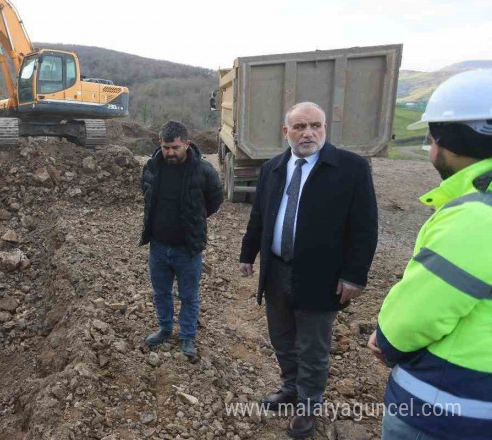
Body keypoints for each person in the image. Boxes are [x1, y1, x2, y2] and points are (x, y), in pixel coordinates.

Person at [239, 102, 378, 438]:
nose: (308, 133)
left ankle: (308, 405)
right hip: (276, 272)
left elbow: (365, 227)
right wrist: (248, 253)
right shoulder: (273, 168)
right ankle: (290, 388)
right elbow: (260, 216)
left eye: (315, 125)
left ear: (325, 128)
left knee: (313, 348)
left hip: (321, 277)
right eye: (299, 127)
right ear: (286, 132)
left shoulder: (350, 168)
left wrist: (354, 275)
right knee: (282, 338)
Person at [367, 69, 492, 440]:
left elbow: (415, 316)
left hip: (447, 411)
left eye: (431, 135)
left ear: (446, 139)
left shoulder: (475, 217)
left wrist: (386, 339)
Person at [140, 120, 223, 360]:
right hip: (158, 247)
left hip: (188, 248)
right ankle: (165, 329)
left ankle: (187, 337)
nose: (170, 152)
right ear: (160, 144)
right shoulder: (152, 167)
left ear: (186, 144)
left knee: (188, 295)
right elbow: (145, 192)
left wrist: (195, 218)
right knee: (161, 292)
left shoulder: (203, 170)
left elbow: (215, 199)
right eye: (166, 147)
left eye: (175, 147)